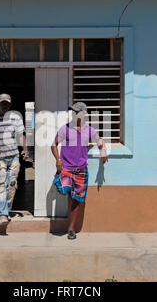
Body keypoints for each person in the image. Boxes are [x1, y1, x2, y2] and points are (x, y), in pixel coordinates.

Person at [51, 102, 108, 240]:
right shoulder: (65, 129)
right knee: (66, 192)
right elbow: (54, 145)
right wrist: (58, 159)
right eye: (73, 111)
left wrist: (103, 150)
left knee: (76, 199)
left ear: (83, 114)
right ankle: (70, 224)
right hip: (66, 169)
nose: (74, 114)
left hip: (81, 170)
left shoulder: (89, 130)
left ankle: (71, 229)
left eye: (76, 111)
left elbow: (99, 140)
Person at [0, 93, 27, 232]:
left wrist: (25, 149)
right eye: (3, 103)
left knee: (12, 185)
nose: (5, 105)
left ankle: (6, 210)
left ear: (10, 104)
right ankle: (2, 214)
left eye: (7, 103)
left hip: (14, 156)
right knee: (1, 184)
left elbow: (21, 135)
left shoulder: (16, 118)